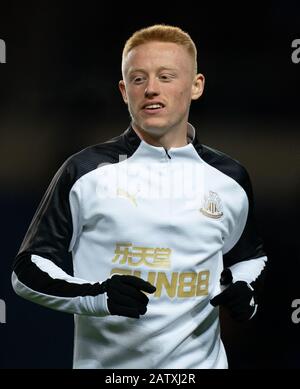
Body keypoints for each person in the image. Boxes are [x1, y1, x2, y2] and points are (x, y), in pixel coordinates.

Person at [12, 24, 267, 369]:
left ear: (196, 86)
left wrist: (243, 288)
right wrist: (96, 295)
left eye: (165, 76)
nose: (150, 89)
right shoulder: (85, 172)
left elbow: (249, 257)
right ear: (123, 91)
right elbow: (27, 270)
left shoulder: (230, 178)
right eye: (137, 79)